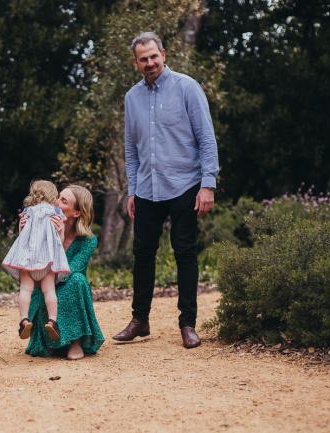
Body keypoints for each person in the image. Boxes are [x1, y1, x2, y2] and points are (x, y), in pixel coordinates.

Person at [113, 32, 219, 349]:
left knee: (184, 252)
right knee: (142, 254)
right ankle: (139, 320)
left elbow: (207, 139)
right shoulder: (131, 99)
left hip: (185, 185)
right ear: (136, 63)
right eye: (143, 59)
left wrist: (208, 184)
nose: (149, 63)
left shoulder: (187, 88)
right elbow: (131, 150)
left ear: (164, 54)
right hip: (147, 188)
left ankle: (187, 324)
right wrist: (132, 190)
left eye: (153, 56)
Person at [21, 184, 105, 360]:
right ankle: (49, 337)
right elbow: (28, 263)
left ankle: (75, 342)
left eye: (63, 201)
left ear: (76, 213)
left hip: (65, 285)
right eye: (58, 197)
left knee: (78, 280)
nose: (55, 202)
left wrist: (58, 241)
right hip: (43, 290)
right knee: (49, 293)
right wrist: (23, 232)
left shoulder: (88, 241)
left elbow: (67, 272)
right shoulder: (41, 229)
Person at [2, 180, 70, 341]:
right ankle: (52, 320)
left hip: (27, 260)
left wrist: (20, 228)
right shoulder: (56, 213)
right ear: (53, 195)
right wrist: (61, 233)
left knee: (25, 290)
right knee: (49, 291)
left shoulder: (27, 212)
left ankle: (24, 319)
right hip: (48, 261)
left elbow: (23, 234)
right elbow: (59, 240)